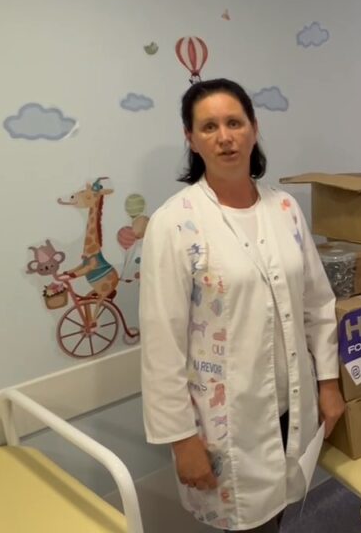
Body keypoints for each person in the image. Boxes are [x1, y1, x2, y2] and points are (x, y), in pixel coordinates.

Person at [140, 78, 345, 532]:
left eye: (234, 123)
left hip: (293, 405)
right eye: (208, 127)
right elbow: (161, 344)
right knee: (246, 523)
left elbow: (317, 303)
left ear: (254, 128)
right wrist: (181, 440)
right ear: (191, 139)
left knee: (280, 510)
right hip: (225, 423)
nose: (224, 137)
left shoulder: (285, 208)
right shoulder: (174, 224)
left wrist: (328, 384)